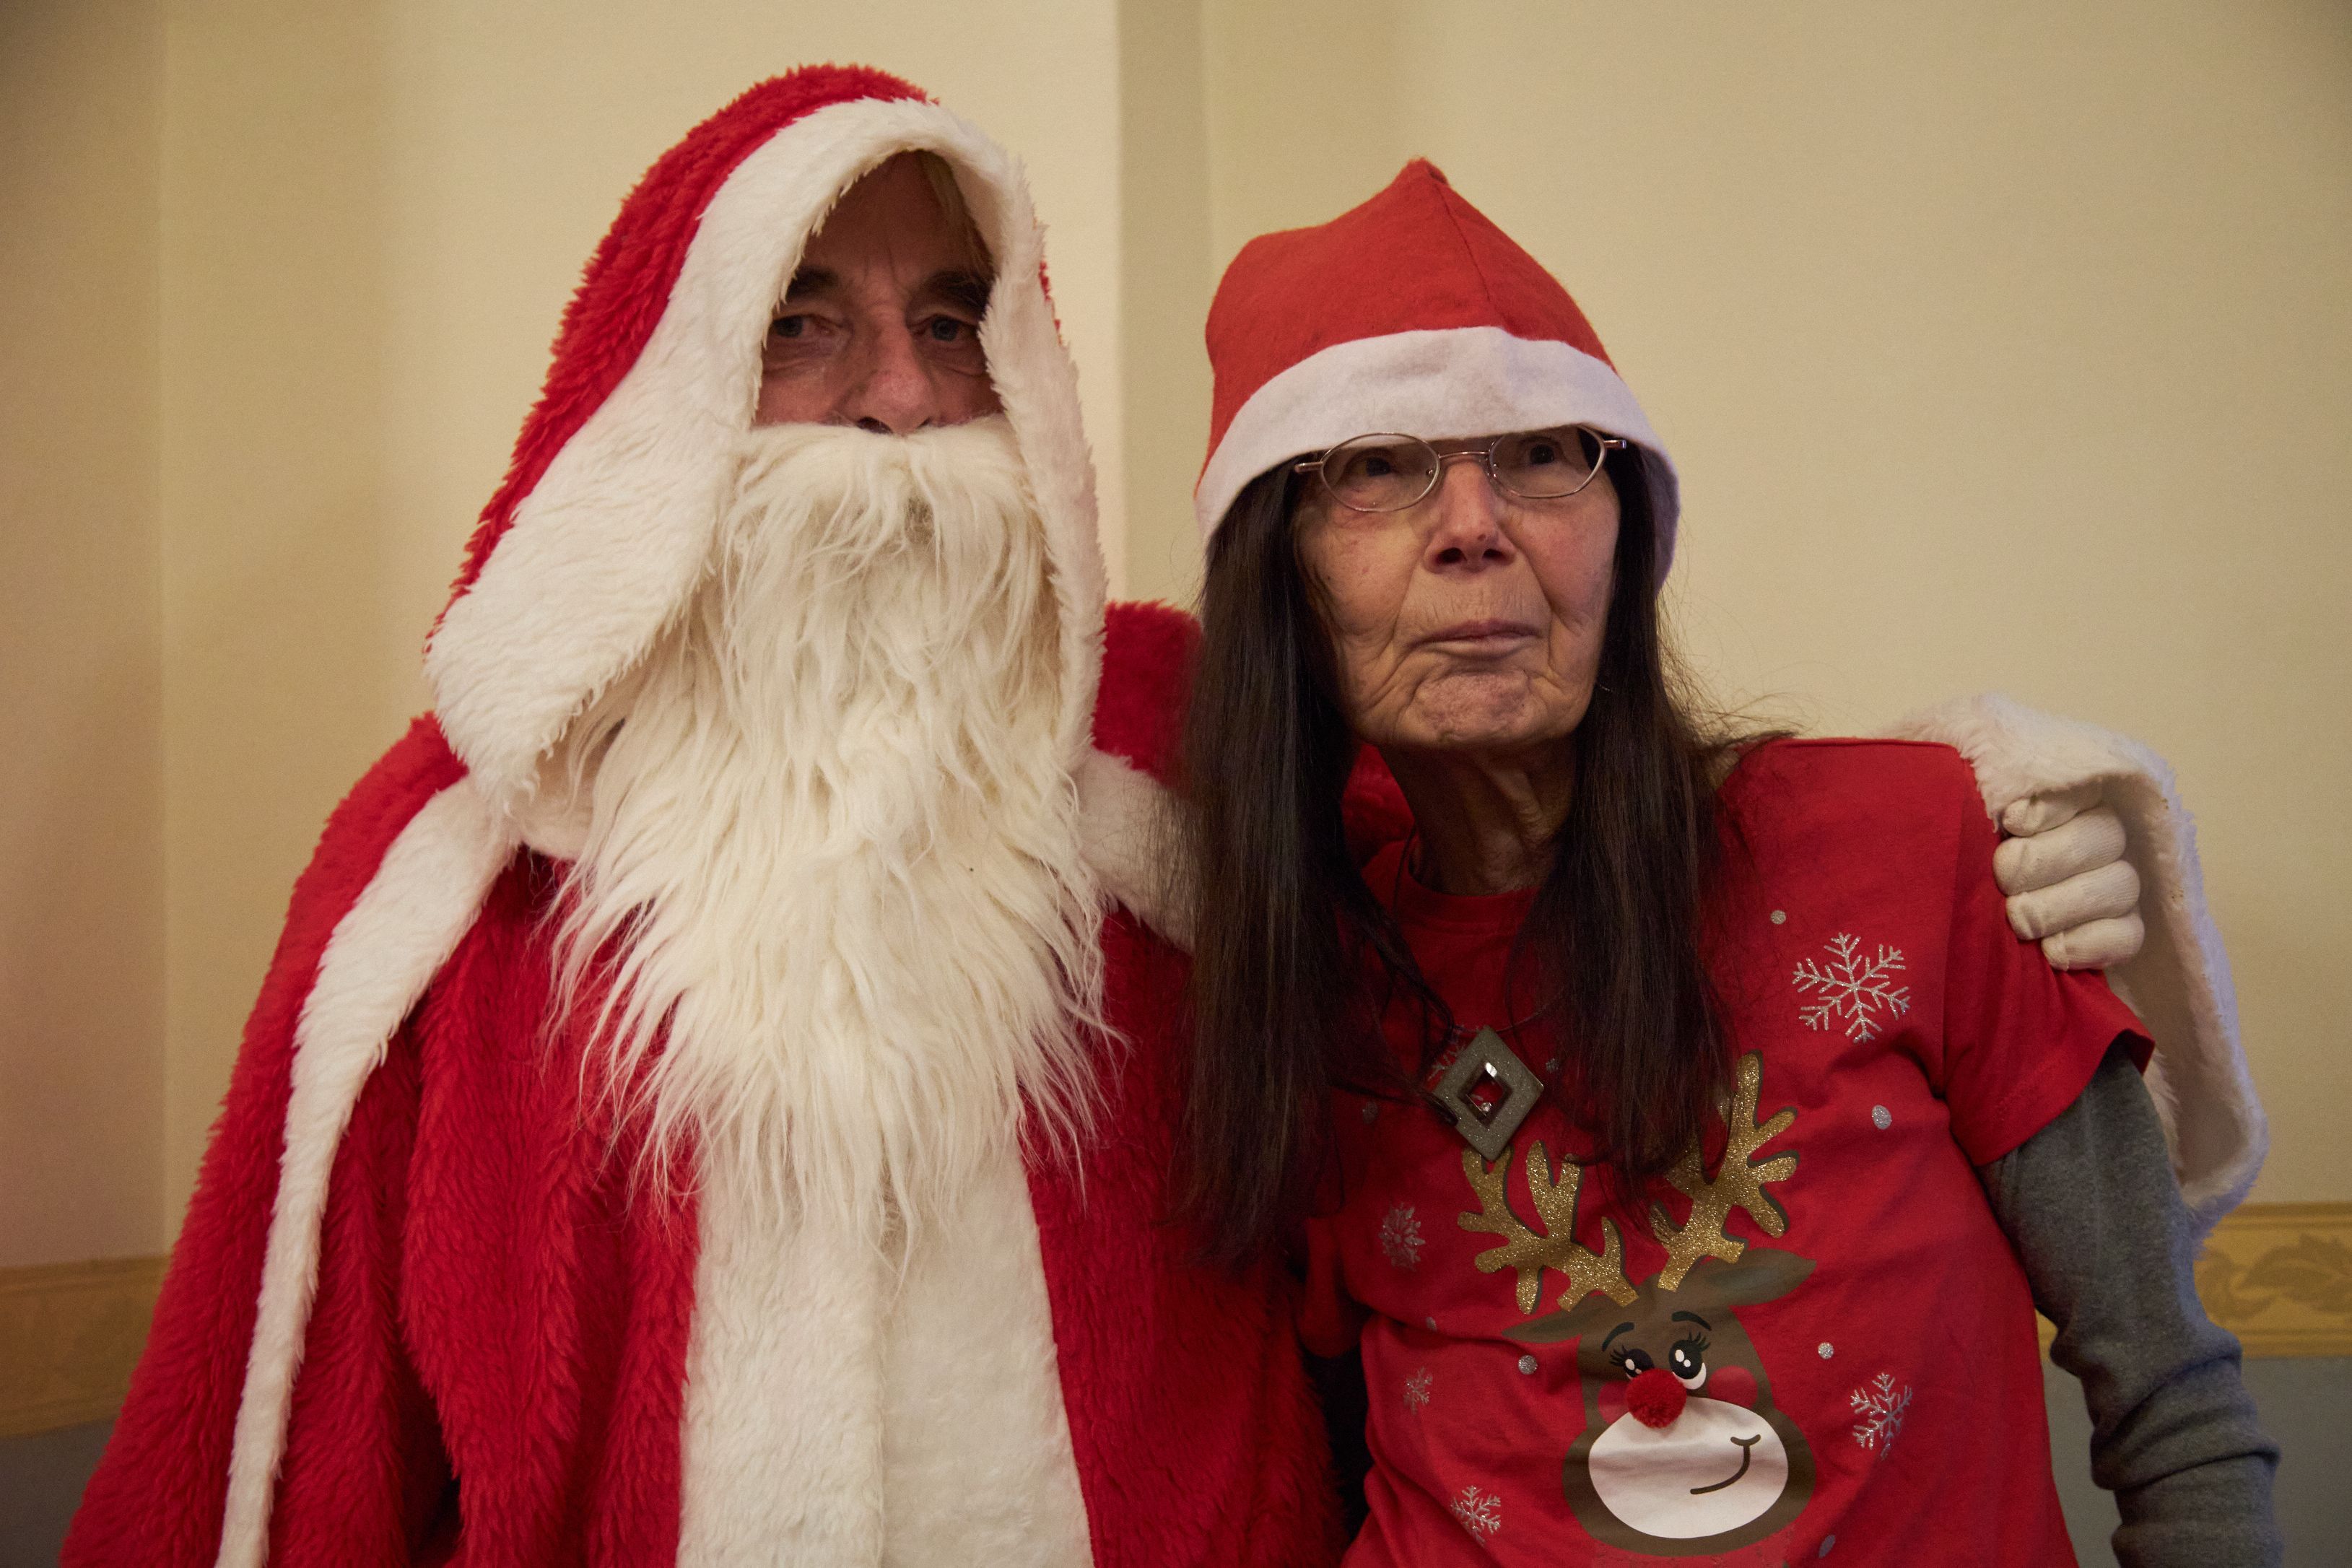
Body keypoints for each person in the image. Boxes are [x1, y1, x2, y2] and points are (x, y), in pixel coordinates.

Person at [69, 74, 2153, 1566]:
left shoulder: (1159, 751)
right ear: (666, 381)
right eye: (804, 321)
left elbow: (1532, 793)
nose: (898, 399)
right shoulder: (446, 871)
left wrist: (1968, 796)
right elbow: (284, 1428)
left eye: (950, 326)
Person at [1169, 162, 2278, 1564]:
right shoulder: (1304, 989)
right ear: (1280, 574)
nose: (1473, 526)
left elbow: (2174, 1411)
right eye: (1373, 468)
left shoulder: (1912, 845)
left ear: (1626, 531)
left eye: (1541, 453)